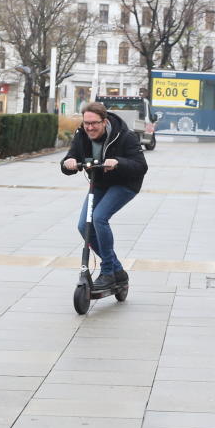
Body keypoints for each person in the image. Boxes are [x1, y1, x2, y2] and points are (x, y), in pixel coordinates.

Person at [61, 101, 148, 291]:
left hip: (125, 184)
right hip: (100, 183)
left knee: (99, 218)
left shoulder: (125, 136)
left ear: (104, 121)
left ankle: (108, 271)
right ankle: (117, 270)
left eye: (94, 123)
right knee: (83, 225)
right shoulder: (81, 135)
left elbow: (141, 167)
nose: (90, 128)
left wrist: (118, 162)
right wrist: (68, 162)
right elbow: (69, 159)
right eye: (86, 123)